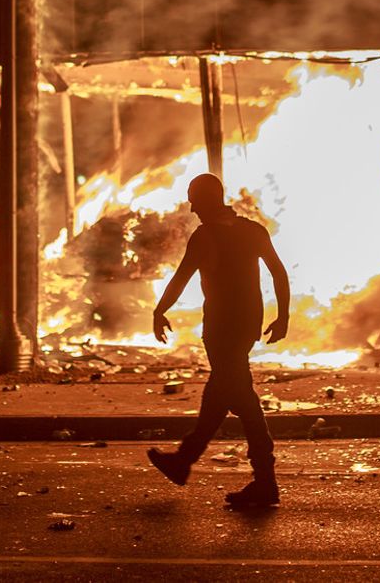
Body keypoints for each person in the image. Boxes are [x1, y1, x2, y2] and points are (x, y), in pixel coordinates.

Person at [146, 173, 290, 508]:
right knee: (224, 394)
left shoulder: (205, 236)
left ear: (209, 199)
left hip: (222, 329)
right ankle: (185, 460)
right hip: (246, 326)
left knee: (244, 403)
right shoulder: (253, 231)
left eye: (195, 199)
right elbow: (278, 273)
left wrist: (160, 310)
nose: (192, 207)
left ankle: (264, 483)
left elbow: (182, 277)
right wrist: (282, 317)